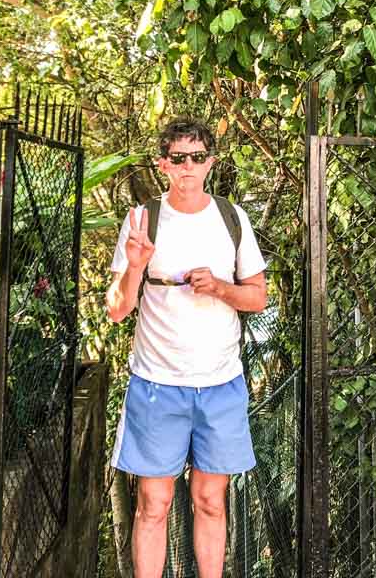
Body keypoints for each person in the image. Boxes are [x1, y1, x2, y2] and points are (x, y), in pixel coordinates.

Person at [105, 116, 267, 578]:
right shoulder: (142, 221)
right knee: (153, 504)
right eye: (178, 158)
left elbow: (257, 296)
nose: (188, 166)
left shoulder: (232, 219)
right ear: (164, 165)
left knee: (211, 500)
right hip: (157, 384)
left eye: (198, 157)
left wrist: (219, 287)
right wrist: (136, 266)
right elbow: (117, 309)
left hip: (219, 384)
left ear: (211, 162)